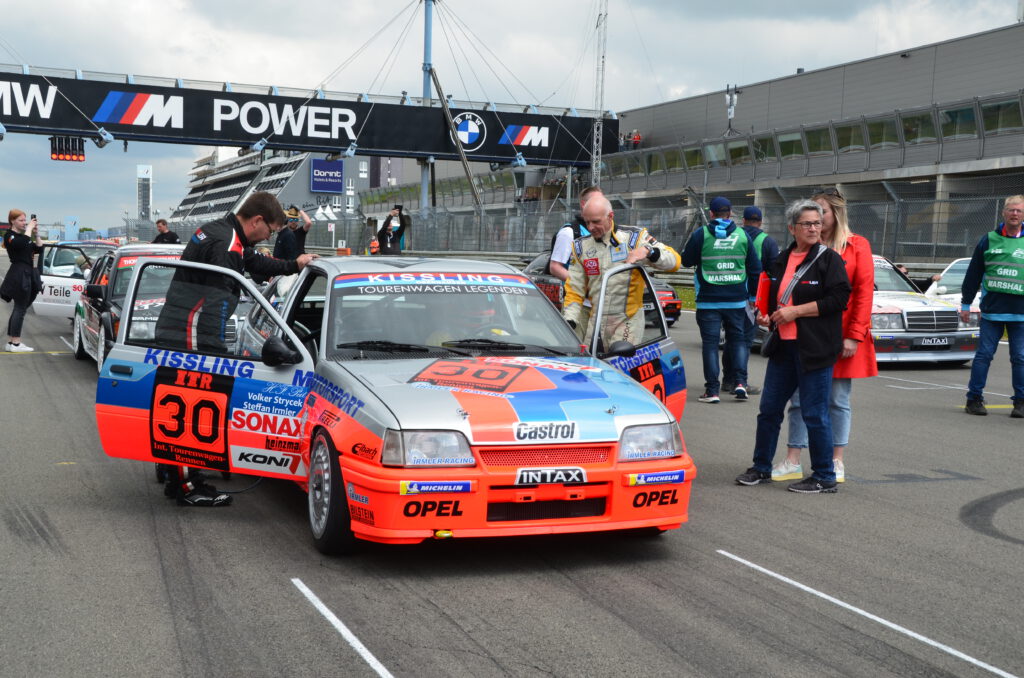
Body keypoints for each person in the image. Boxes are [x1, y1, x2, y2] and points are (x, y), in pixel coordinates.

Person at [155, 192, 317, 505]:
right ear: (257, 221)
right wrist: (218, 358)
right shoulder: (227, 243)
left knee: (181, 403)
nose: (268, 236)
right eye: (270, 230)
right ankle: (188, 487)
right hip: (190, 330)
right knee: (194, 404)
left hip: (181, 325)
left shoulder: (224, 231)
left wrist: (293, 264)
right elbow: (216, 304)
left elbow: (252, 260)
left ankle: (173, 470)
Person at [735, 199, 851, 493]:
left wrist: (795, 312)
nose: (814, 228)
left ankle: (825, 475)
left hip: (814, 348)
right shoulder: (780, 260)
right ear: (792, 228)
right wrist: (767, 315)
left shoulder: (829, 260)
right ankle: (761, 467)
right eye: (807, 224)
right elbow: (773, 295)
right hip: (783, 347)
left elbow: (838, 300)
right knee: (769, 410)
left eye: (817, 222)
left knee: (814, 412)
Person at [773, 188, 876, 483]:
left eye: (822, 212)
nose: (815, 219)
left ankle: (836, 459)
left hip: (841, 335)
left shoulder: (857, 246)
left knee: (836, 399)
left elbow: (863, 294)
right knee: (798, 399)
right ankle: (793, 458)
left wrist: (854, 335)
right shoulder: (804, 245)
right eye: (812, 214)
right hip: (805, 335)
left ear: (836, 214)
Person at [562, 196, 681, 344]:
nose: (591, 227)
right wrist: (570, 320)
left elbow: (675, 262)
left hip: (628, 321)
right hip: (597, 320)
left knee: (620, 360)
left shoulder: (634, 238)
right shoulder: (580, 247)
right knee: (592, 363)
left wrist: (649, 251)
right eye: (587, 222)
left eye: (596, 222)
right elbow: (574, 290)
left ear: (610, 216)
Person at [680, 197, 761, 403]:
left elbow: (686, 261)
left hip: (708, 300)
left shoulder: (701, 234)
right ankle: (740, 383)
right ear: (731, 213)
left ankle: (712, 391)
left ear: (711, 214)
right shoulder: (742, 235)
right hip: (736, 300)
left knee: (711, 344)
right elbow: (755, 268)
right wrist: (752, 297)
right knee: (738, 341)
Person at [960, 194, 1024, 418]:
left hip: (1021, 314)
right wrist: (966, 304)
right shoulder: (988, 239)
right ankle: (974, 399)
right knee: (984, 355)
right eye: (1011, 210)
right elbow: (974, 274)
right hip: (992, 312)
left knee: (1021, 358)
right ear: (1004, 213)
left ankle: (1021, 402)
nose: (1015, 214)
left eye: (1019, 211)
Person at [721, 205, 780, 395]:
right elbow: (774, 272)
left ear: (743, 220)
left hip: (729, 294)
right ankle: (741, 381)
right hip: (752, 299)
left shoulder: (733, 235)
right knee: (744, 341)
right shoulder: (767, 242)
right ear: (761, 222)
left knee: (731, 338)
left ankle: (727, 380)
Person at [1, 210, 43, 352]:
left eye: (25, 220)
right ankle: (16, 343)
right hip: (19, 274)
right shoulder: (9, 236)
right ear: (12, 221)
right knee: (20, 307)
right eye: (21, 220)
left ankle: (12, 342)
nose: (24, 223)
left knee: (21, 308)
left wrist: (36, 233)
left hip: (30, 272)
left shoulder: (26, 237)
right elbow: (19, 244)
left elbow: (38, 250)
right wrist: (29, 229)